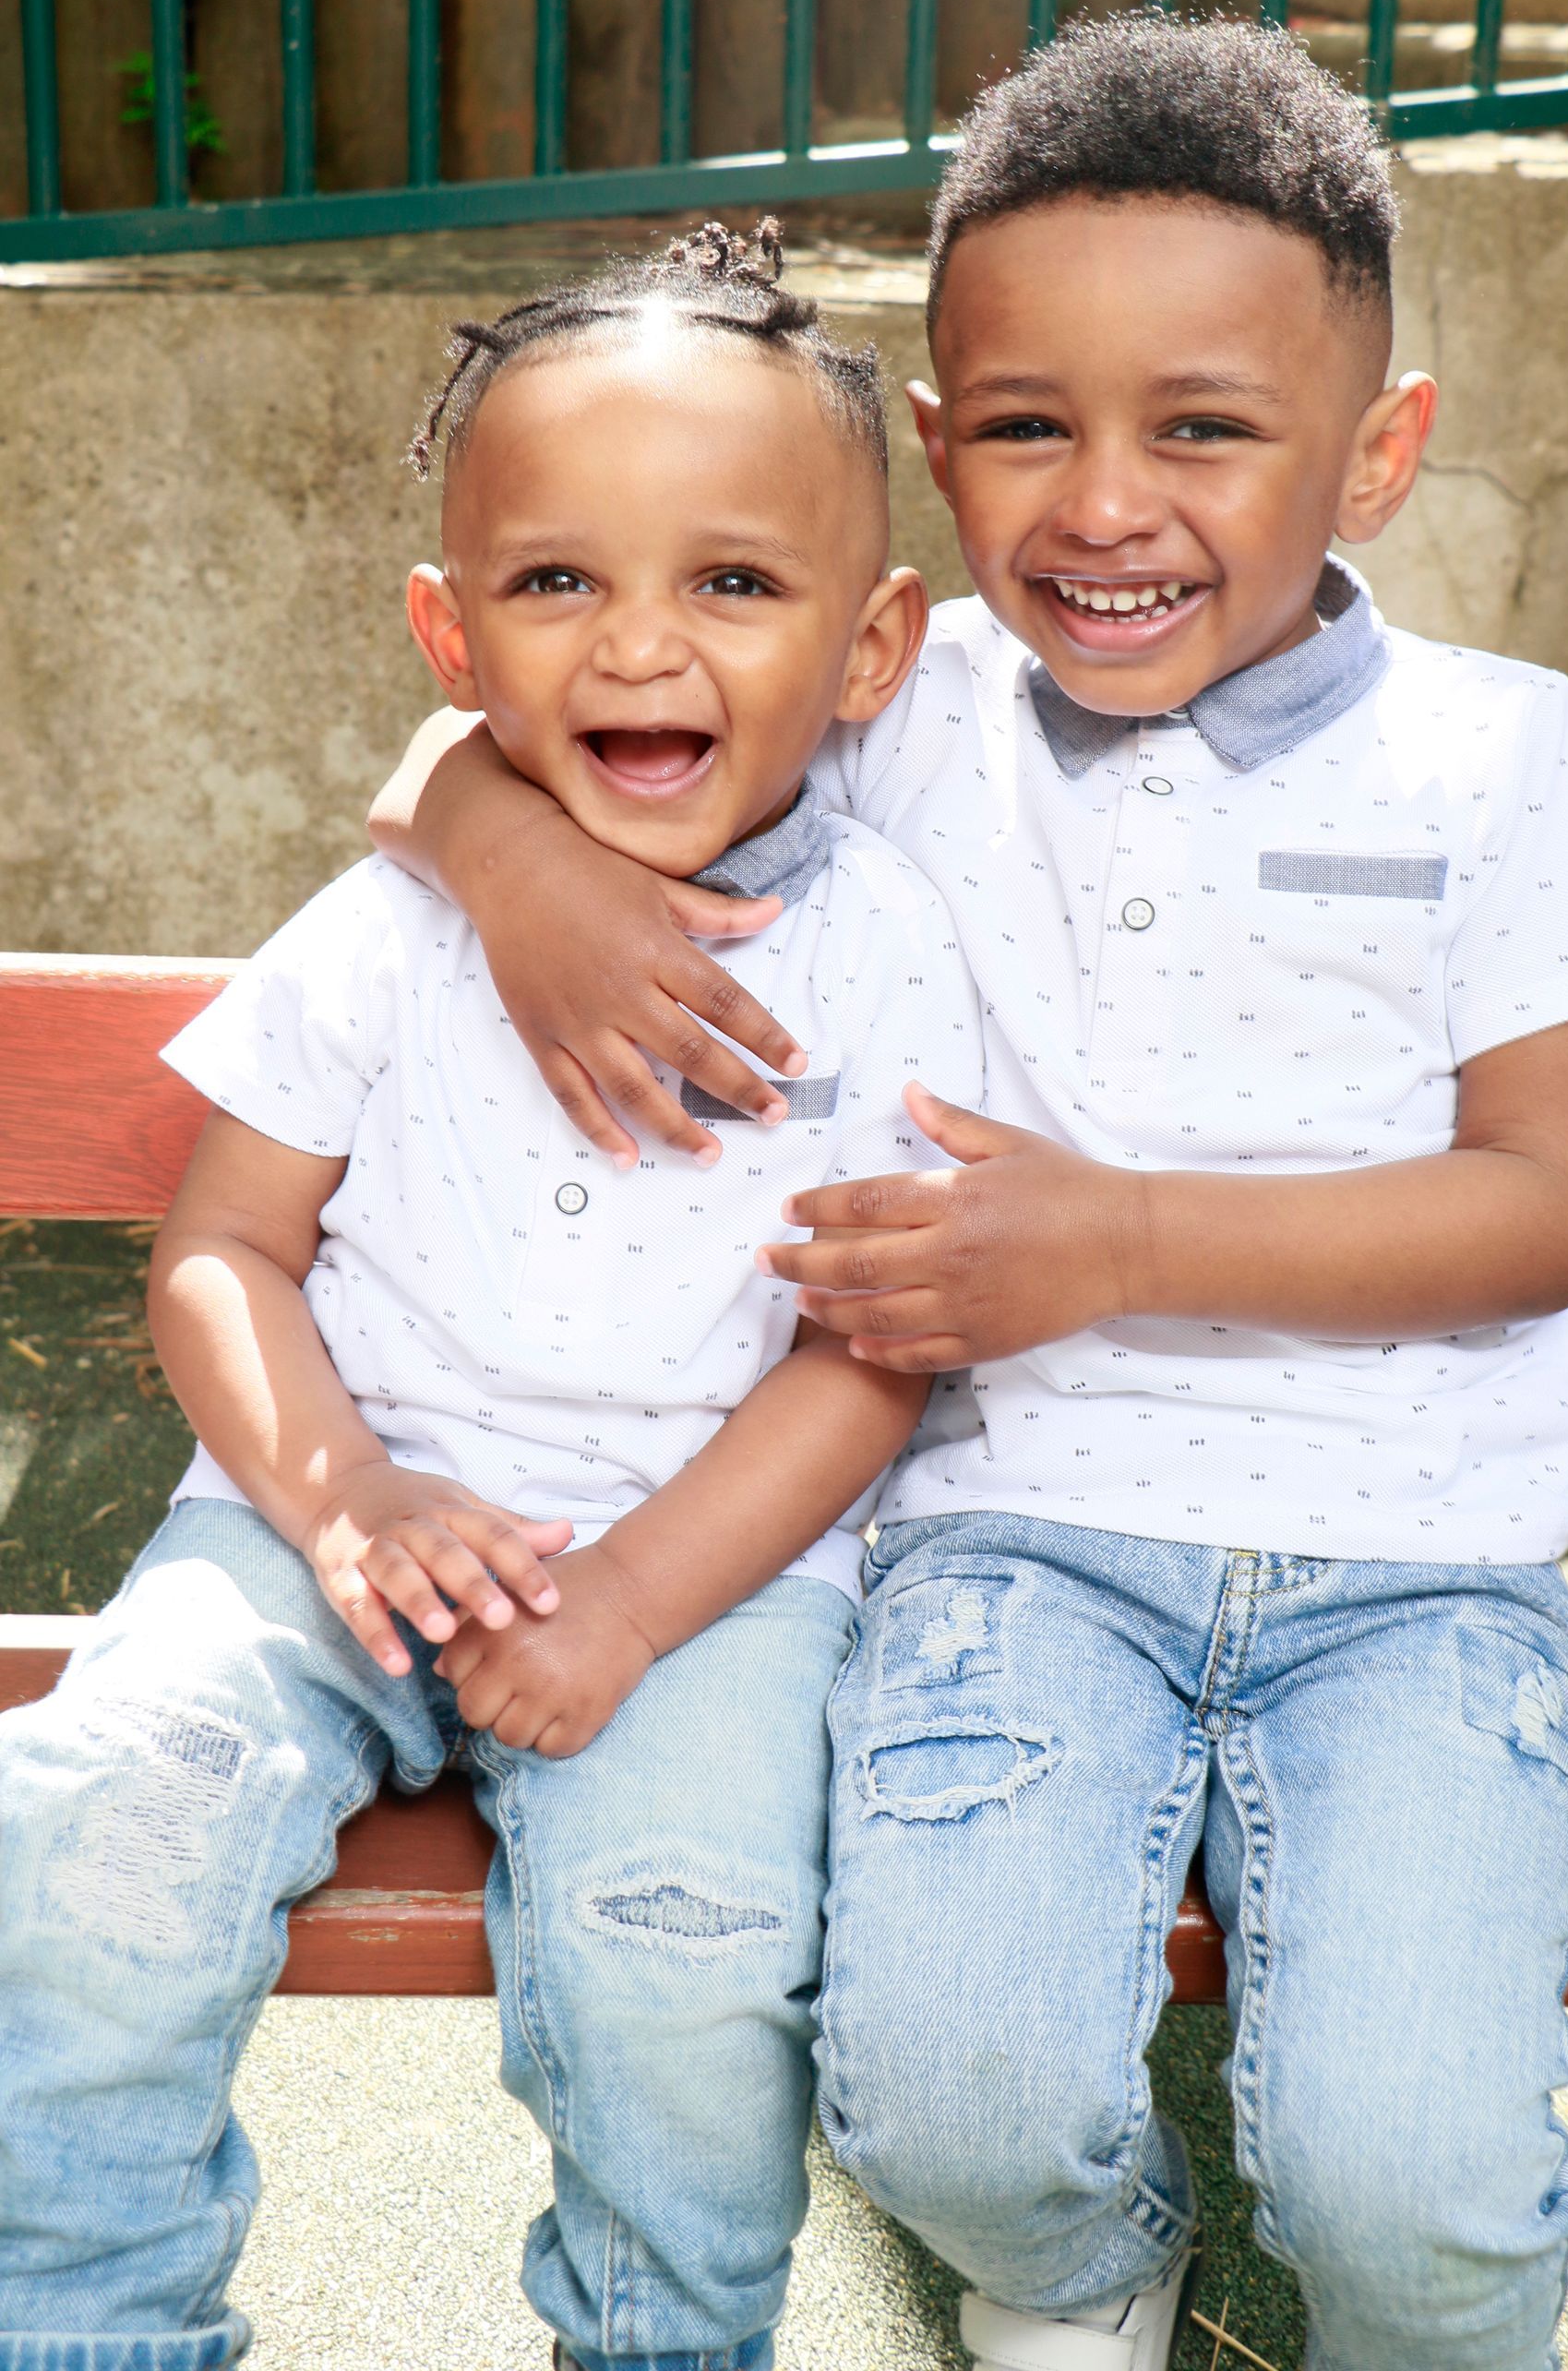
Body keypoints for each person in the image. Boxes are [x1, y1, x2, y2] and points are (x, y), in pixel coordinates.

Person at [366, 19, 1568, 2371]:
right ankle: (1091, 2277)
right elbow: (464, 731)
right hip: (1007, 1544)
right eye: (1022, 427)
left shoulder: (1502, 748)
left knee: (1419, 2202)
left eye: (1203, 426)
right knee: (952, 2112)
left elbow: (1547, 1205)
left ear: (1375, 453)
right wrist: (513, 865)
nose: (1104, 503)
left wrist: (1121, 1240)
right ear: (932, 444)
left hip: (1418, 1581)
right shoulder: (894, 693)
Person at [0, 222, 985, 2371]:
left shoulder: (896, 950)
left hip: (710, 1571)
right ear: (451, 632)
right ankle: (82, 2333)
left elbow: (867, 1360)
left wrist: (630, 1600)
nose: (642, 646)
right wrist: (343, 1497)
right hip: (319, 1527)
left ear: (875, 643)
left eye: (734, 582)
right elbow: (223, 1253)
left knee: (689, 1950)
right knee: (83, 1837)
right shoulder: (390, 927)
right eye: (560, 582)